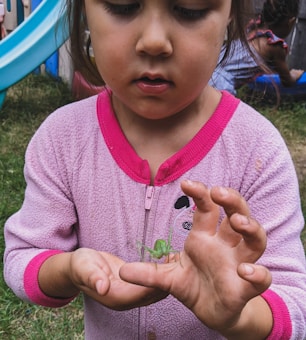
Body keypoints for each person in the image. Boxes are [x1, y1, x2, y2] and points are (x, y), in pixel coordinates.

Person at [3, 1, 306, 339]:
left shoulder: (257, 150)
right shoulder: (63, 139)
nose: (154, 41)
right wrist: (69, 269)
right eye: (121, 6)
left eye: (190, 10)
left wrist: (240, 316)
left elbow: (294, 306)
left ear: (230, 15)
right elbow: (23, 258)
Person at [210, 0, 304, 96]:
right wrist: (295, 74)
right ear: (291, 22)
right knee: (224, 110)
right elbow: (286, 81)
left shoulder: (253, 28)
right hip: (221, 83)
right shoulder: (275, 46)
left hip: (209, 69)